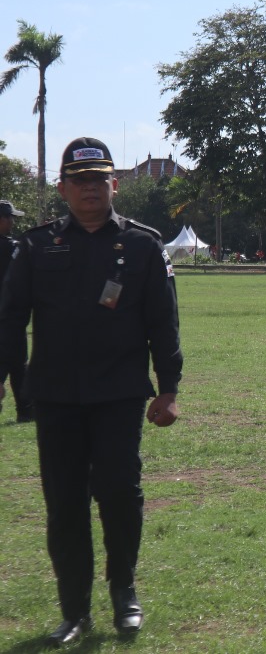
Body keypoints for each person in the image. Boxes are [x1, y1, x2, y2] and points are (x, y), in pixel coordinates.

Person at [0, 137, 182, 646]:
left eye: (98, 180)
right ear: (62, 189)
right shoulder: (37, 245)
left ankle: (124, 591)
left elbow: (163, 320)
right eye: (79, 181)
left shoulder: (143, 245)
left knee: (120, 492)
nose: (90, 189)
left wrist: (169, 388)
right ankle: (74, 610)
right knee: (64, 503)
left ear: (114, 185)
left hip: (119, 392)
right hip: (55, 395)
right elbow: (10, 318)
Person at [0, 198, 33, 422]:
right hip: (9, 316)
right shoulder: (10, 247)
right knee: (16, 363)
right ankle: (25, 409)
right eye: (10, 218)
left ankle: (26, 408)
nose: (13, 222)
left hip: (9, 316)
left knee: (14, 363)